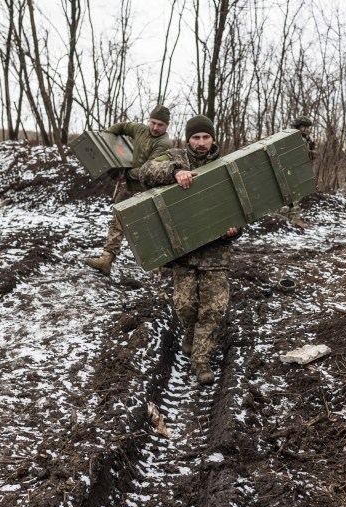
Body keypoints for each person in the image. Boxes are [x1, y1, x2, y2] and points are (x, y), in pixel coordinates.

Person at [138, 115, 241, 385]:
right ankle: (190, 334)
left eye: (206, 137)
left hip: (216, 253)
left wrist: (236, 229)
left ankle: (201, 360)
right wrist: (175, 173)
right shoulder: (175, 157)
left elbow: (242, 207)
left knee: (213, 309)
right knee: (185, 306)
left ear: (213, 138)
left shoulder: (225, 165)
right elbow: (145, 172)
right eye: (196, 137)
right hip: (184, 252)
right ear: (188, 139)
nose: (201, 142)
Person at [85, 105, 173, 276]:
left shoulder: (163, 143)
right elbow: (123, 126)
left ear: (167, 126)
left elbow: (148, 170)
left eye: (160, 125)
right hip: (131, 188)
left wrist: (125, 174)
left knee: (150, 229)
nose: (155, 127)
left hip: (148, 192)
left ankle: (161, 266)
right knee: (117, 222)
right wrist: (106, 137)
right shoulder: (140, 129)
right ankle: (106, 260)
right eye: (153, 122)